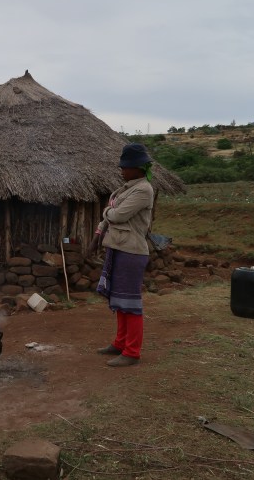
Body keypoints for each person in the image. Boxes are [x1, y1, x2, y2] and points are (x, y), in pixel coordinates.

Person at [88, 143, 155, 367]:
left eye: (126, 167)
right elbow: (112, 216)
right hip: (119, 248)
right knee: (119, 300)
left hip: (132, 251)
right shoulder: (126, 189)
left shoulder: (143, 190)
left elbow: (117, 215)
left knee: (130, 303)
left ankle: (132, 351)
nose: (122, 170)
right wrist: (99, 231)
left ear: (138, 168)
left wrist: (107, 212)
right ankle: (120, 343)